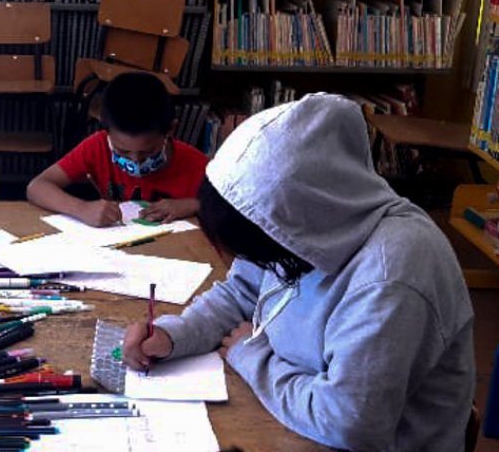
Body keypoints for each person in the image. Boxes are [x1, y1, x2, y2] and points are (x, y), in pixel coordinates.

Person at [121, 94, 475, 452]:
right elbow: (242, 292)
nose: (262, 265)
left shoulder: (393, 274)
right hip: (291, 420)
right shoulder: (299, 221)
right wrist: (174, 334)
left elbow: (348, 423)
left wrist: (252, 356)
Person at [26, 72, 208, 226]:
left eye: (147, 152)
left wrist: (195, 205)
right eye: (123, 152)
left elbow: (233, 211)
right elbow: (37, 187)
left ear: (171, 129)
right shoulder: (97, 146)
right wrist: (81, 208)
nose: (135, 160)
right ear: (107, 133)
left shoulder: (200, 166)